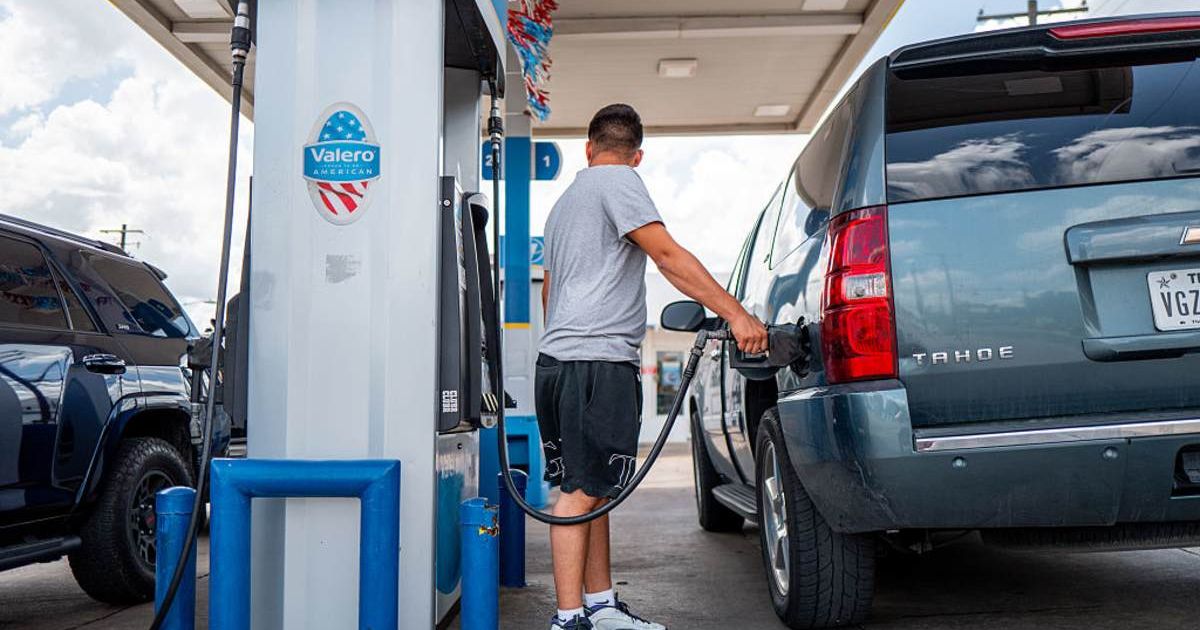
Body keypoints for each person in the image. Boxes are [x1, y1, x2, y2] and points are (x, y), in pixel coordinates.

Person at [537, 103, 768, 630]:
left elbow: (551, 289)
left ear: (588, 146)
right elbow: (666, 256)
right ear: (636, 155)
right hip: (595, 362)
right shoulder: (619, 182)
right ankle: (569, 618)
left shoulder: (566, 202)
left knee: (592, 486)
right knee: (579, 493)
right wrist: (735, 314)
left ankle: (598, 607)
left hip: (560, 361)